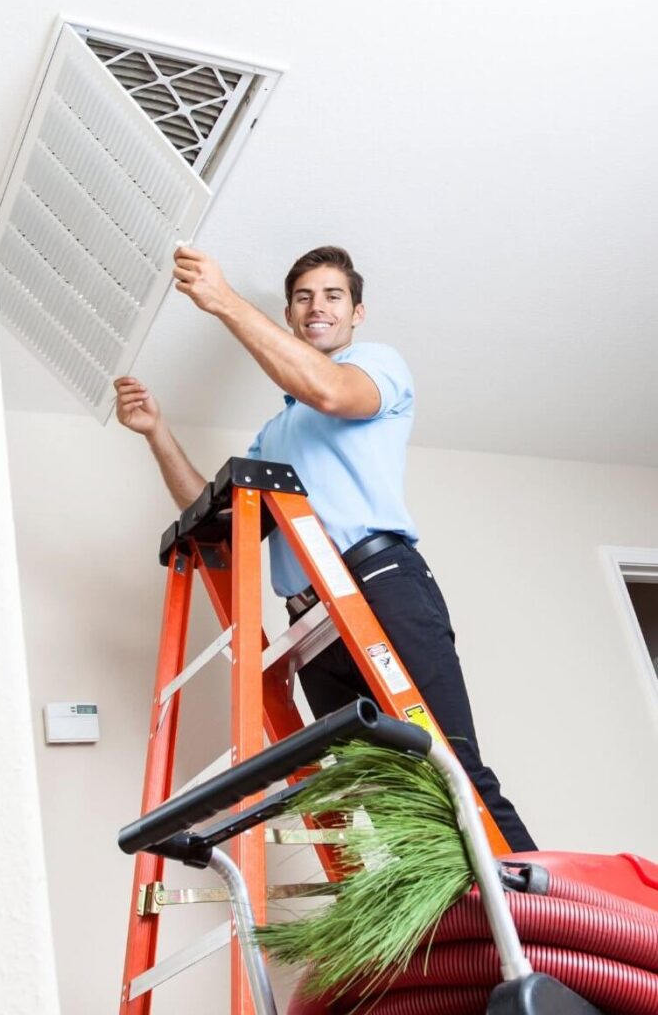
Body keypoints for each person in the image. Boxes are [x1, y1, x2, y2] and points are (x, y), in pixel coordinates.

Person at [113, 244, 537, 854]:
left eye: (333, 295)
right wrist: (157, 433)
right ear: (288, 315)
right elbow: (219, 524)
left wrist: (226, 303)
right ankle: (458, 948)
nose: (318, 307)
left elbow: (333, 393)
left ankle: (550, 934)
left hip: (378, 585)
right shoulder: (275, 432)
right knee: (391, 805)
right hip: (311, 629)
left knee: (450, 769)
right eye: (305, 297)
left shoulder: (374, 367)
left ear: (357, 312)